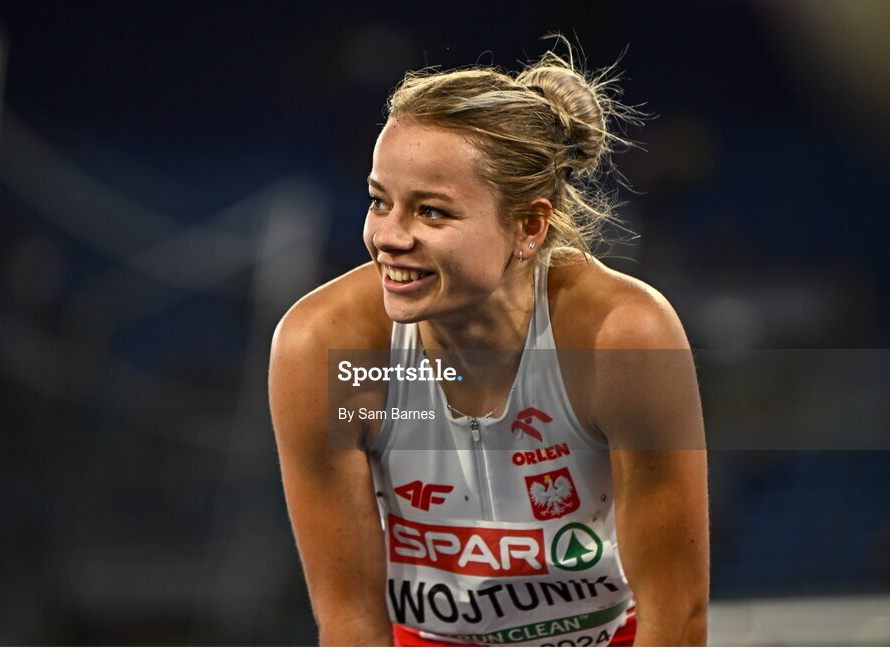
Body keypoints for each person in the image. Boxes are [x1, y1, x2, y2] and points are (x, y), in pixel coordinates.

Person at [269, 39, 709, 647]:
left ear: (529, 226)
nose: (389, 238)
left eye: (431, 213)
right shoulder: (324, 348)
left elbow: (676, 616)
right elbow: (350, 623)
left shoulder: (623, 338)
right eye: (379, 202)